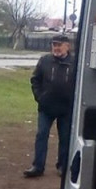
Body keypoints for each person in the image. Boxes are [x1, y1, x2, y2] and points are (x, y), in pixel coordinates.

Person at [23, 34, 75, 178]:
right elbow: (35, 80)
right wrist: (40, 97)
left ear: (67, 46)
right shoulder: (44, 61)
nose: (56, 48)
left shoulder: (75, 63)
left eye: (59, 45)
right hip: (46, 107)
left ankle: (63, 166)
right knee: (41, 135)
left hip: (66, 108)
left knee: (65, 138)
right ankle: (37, 166)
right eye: (54, 45)